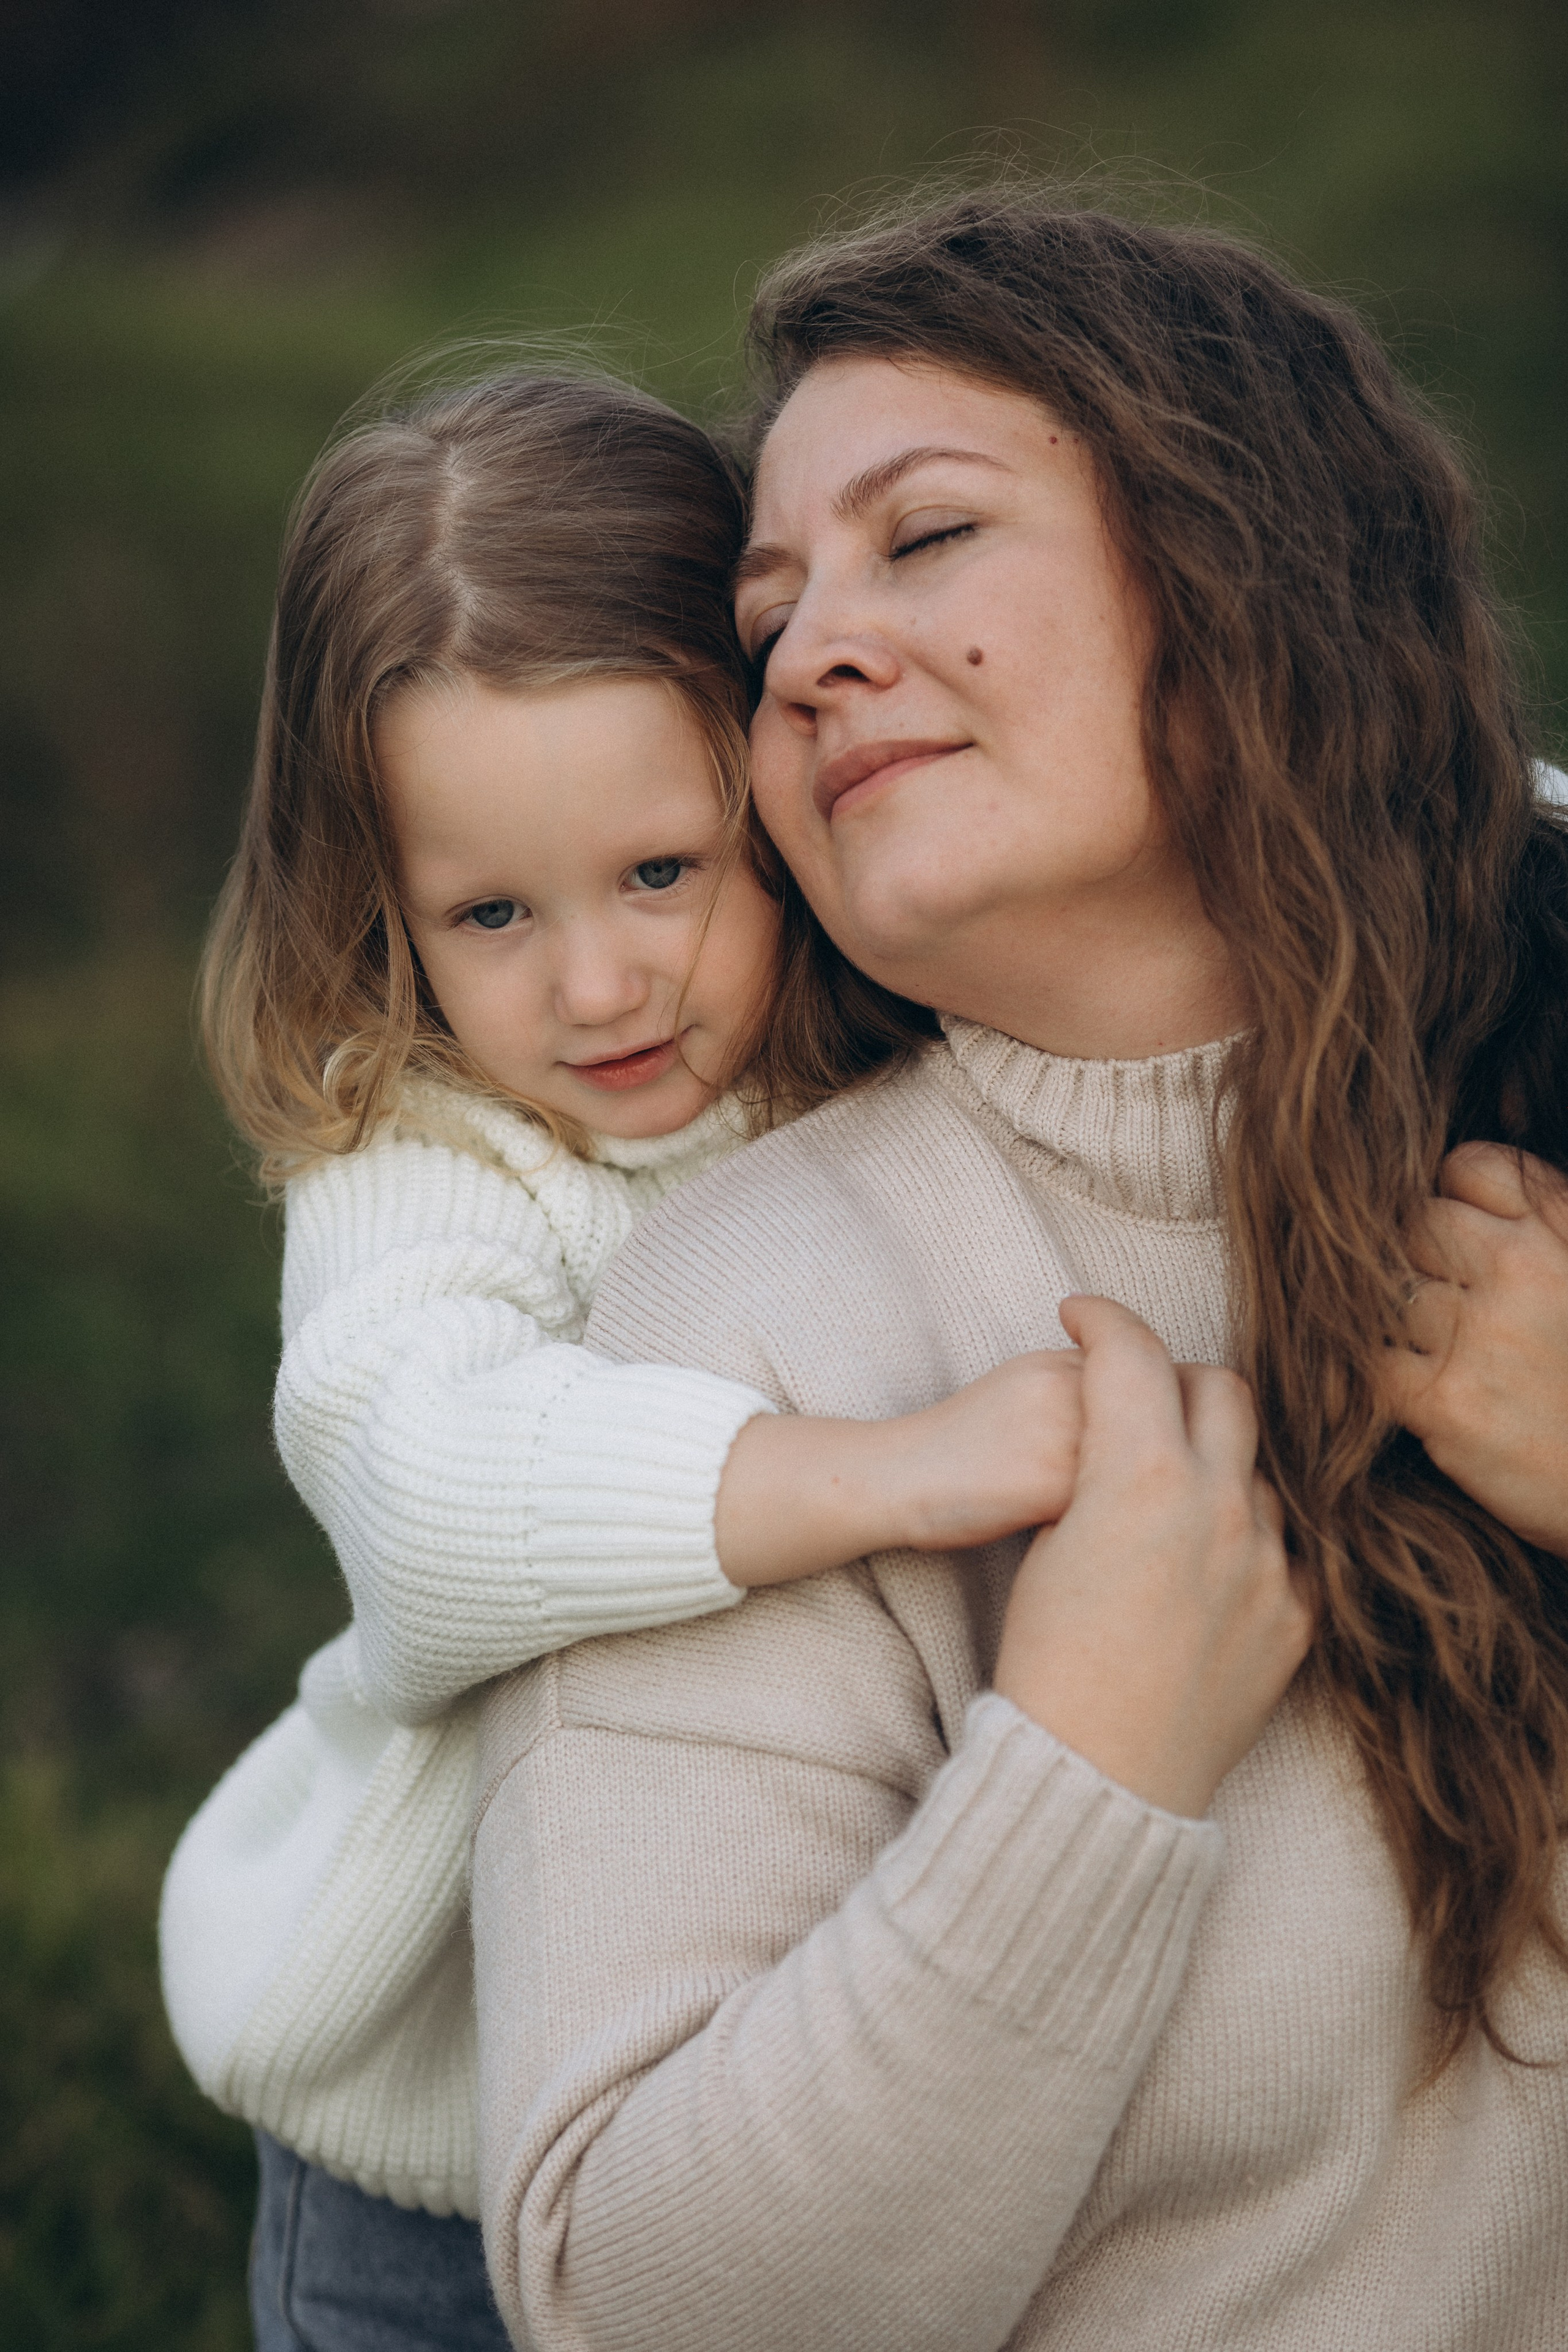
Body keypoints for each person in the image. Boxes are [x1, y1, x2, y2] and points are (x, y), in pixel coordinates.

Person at [472, 194, 1568, 2350]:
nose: (811, 652)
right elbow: (626, 2294)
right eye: (768, 621)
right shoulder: (749, 1329)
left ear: (1250, 567)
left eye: (929, 536)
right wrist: (1085, 1772)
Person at [157, 366, 1092, 2352]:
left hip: (781, 2063)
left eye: (664, 872)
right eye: (491, 911)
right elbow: (422, 1499)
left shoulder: (886, 1045)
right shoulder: (431, 1152)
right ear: (383, 909)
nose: (596, 988)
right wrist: (893, 1471)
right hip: (424, 2165)